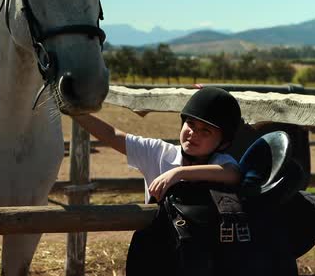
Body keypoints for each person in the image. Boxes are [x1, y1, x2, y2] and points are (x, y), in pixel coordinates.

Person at [73, 86, 242, 203]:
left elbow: (232, 174)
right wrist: (72, 110)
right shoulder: (158, 153)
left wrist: (178, 173)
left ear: (223, 142)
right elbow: (112, 135)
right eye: (190, 124)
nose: (193, 133)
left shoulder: (221, 162)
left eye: (205, 131)